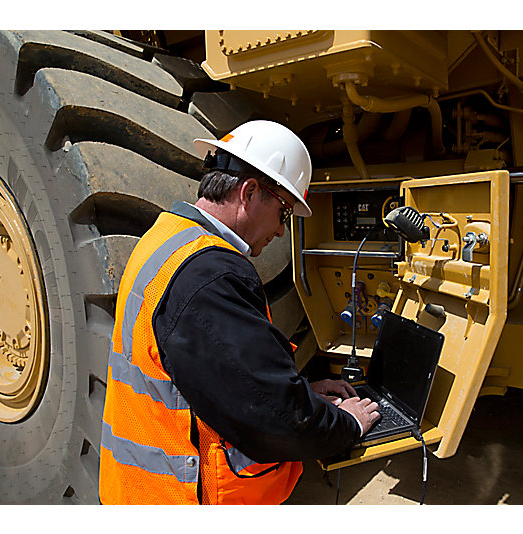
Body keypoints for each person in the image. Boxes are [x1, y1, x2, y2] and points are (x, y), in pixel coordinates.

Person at [98, 120, 380, 505]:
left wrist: (303, 393)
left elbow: (213, 378)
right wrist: (346, 423)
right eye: (284, 212)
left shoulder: (167, 237)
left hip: (140, 489)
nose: (283, 231)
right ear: (249, 192)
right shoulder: (210, 275)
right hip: (180, 499)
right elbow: (275, 420)